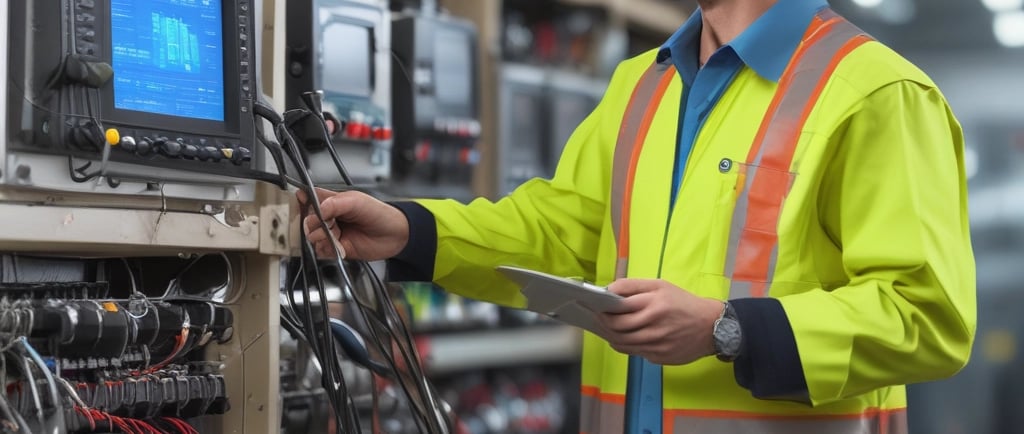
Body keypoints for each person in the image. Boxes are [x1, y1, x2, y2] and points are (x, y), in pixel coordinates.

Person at [300, 0, 977, 432]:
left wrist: (727, 329)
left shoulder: (877, 93)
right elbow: (560, 231)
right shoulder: (643, 84)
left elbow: (927, 314)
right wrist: (413, 231)